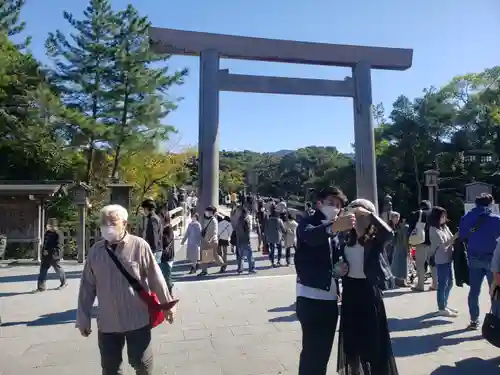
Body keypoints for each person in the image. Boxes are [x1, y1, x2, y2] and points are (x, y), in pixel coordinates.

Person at [76, 204, 175, 375]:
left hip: (137, 318)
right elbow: (87, 287)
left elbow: (155, 277)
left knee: (141, 363)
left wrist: (166, 305)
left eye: (112, 222)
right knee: (110, 369)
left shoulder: (139, 246)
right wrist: (83, 318)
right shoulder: (95, 252)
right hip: (108, 321)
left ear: (124, 223)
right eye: (104, 222)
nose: (107, 226)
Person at [295, 187, 354, 375]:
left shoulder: (336, 233)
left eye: (339, 205)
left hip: (330, 300)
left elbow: (334, 262)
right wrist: (333, 227)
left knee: (323, 353)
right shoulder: (307, 223)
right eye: (332, 203)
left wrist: (339, 270)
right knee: (311, 353)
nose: (336, 208)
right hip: (309, 298)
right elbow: (312, 237)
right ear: (319, 203)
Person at [337, 198, 398, 375]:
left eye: (359, 215)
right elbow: (337, 261)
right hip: (350, 290)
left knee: (372, 342)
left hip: (368, 291)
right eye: (354, 215)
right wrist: (338, 270)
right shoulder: (346, 237)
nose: (356, 218)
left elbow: (389, 234)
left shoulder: (375, 239)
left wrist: (369, 214)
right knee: (352, 341)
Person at [459, 193, 500, 329]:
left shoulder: (466, 218)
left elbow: (463, 236)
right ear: (490, 204)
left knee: (474, 291)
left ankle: (474, 320)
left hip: (474, 257)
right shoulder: (496, 219)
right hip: (492, 258)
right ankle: (496, 320)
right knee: (494, 291)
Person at [428, 206, 459, 317]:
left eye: (445, 216)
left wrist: (454, 237)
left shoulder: (444, 227)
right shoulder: (433, 229)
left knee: (450, 282)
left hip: (448, 257)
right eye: (442, 216)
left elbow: (450, 238)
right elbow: (443, 245)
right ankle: (441, 307)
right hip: (441, 259)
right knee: (443, 284)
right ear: (437, 217)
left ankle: (444, 304)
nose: (444, 218)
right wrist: (455, 237)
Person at [407, 200, 436, 292]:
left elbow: (411, 227)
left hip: (421, 242)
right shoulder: (434, 214)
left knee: (420, 264)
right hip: (433, 242)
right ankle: (435, 284)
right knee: (432, 263)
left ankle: (420, 285)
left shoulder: (418, 213)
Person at [37, 218, 67, 292]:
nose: (48, 227)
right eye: (48, 225)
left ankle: (64, 283)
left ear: (54, 226)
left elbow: (59, 246)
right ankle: (41, 286)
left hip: (54, 255)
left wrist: (50, 252)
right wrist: (44, 251)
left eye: (50, 225)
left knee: (58, 269)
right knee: (43, 270)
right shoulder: (47, 233)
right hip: (46, 255)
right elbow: (45, 244)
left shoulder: (58, 233)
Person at [198, 205, 225, 276]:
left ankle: (222, 264)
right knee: (205, 255)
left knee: (214, 255)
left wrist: (211, 240)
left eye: (208, 211)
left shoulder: (214, 220)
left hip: (212, 240)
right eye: (206, 211)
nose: (206, 212)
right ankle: (204, 271)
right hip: (205, 240)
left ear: (212, 212)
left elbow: (215, 232)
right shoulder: (204, 219)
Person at [389, 212, 410, 287]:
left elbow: (405, 238)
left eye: (397, 217)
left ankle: (402, 280)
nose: (396, 219)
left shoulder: (403, 226)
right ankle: (398, 280)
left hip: (402, 246)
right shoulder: (392, 226)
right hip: (396, 246)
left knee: (403, 264)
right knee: (396, 263)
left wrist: (407, 248)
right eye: (394, 217)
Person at [140, 200, 163, 264]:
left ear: (147, 208)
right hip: (157, 248)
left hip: (154, 250)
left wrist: (153, 251)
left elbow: (154, 236)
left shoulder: (152, 219)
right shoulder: (156, 217)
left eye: (144, 209)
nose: (144, 211)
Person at [235, 207, 256, 274]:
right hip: (245, 241)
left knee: (240, 257)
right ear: (246, 213)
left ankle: (240, 269)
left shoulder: (238, 221)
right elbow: (247, 232)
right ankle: (251, 269)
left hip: (239, 240)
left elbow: (237, 231)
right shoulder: (246, 221)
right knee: (250, 256)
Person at [159, 211, 175, 296]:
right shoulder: (162, 227)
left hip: (167, 256)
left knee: (167, 276)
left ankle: (170, 294)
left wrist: (160, 235)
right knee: (163, 276)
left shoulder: (168, 228)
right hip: (162, 255)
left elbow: (167, 241)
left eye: (161, 217)